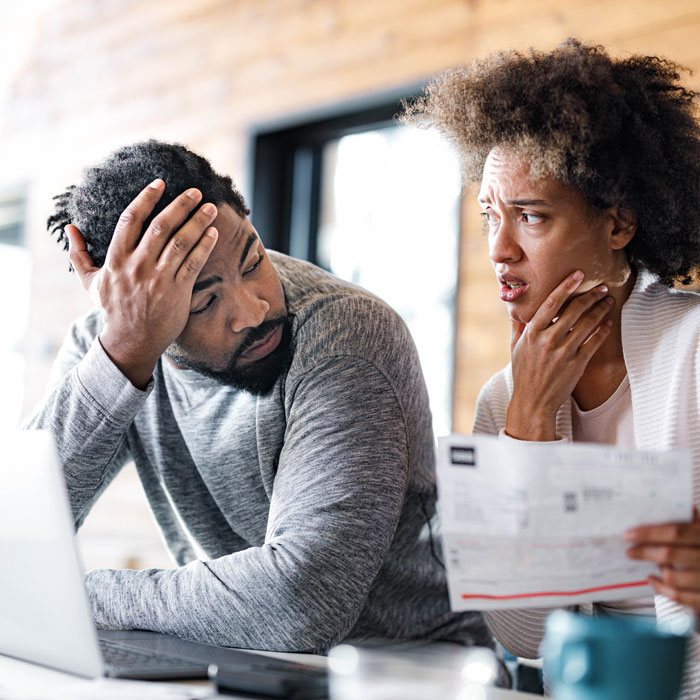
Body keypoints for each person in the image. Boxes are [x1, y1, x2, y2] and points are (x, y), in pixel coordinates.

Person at [26, 140, 494, 659]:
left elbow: (302, 602)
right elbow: (15, 533)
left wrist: (85, 596)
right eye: (202, 300)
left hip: (409, 669)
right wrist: (121, 357)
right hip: (244, 657)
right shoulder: (110, 346)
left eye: (253, 261)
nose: (252, 311)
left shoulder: (347, 336)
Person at [403, 38, 700, 696]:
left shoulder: (694, 351)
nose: (499, 249)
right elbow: (522, 634)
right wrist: (530, 421)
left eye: (531, 216)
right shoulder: (506, 398)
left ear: (619, 223)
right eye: (489, 216)